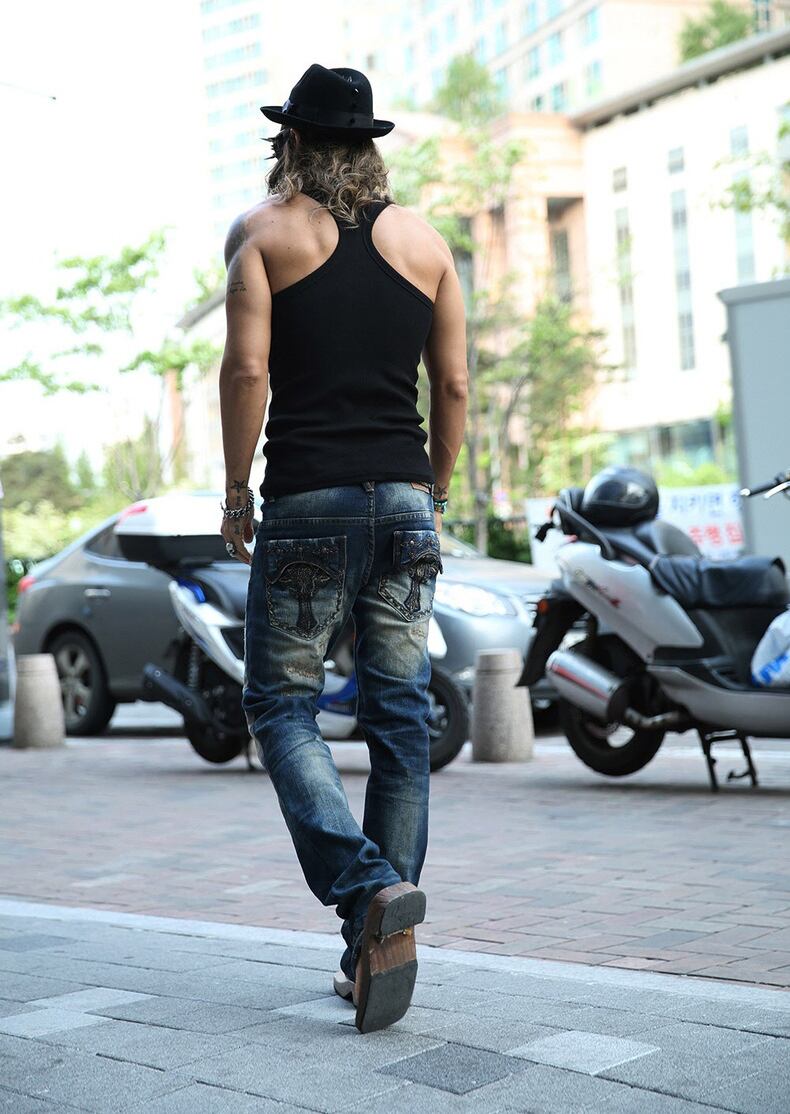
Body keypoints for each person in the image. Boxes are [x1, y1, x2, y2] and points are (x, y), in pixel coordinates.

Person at [218, 63, 468, 1033]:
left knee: (281, 705)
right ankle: (376, 943)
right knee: (400, 717)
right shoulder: (427, 244)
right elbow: (453, 387)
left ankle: (368, 892)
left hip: (309, 503)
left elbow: (246, 370)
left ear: (291, 142)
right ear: (369, 148)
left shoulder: (263, 234)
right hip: (405, 501)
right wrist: (433, 488)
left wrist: (235, 490)